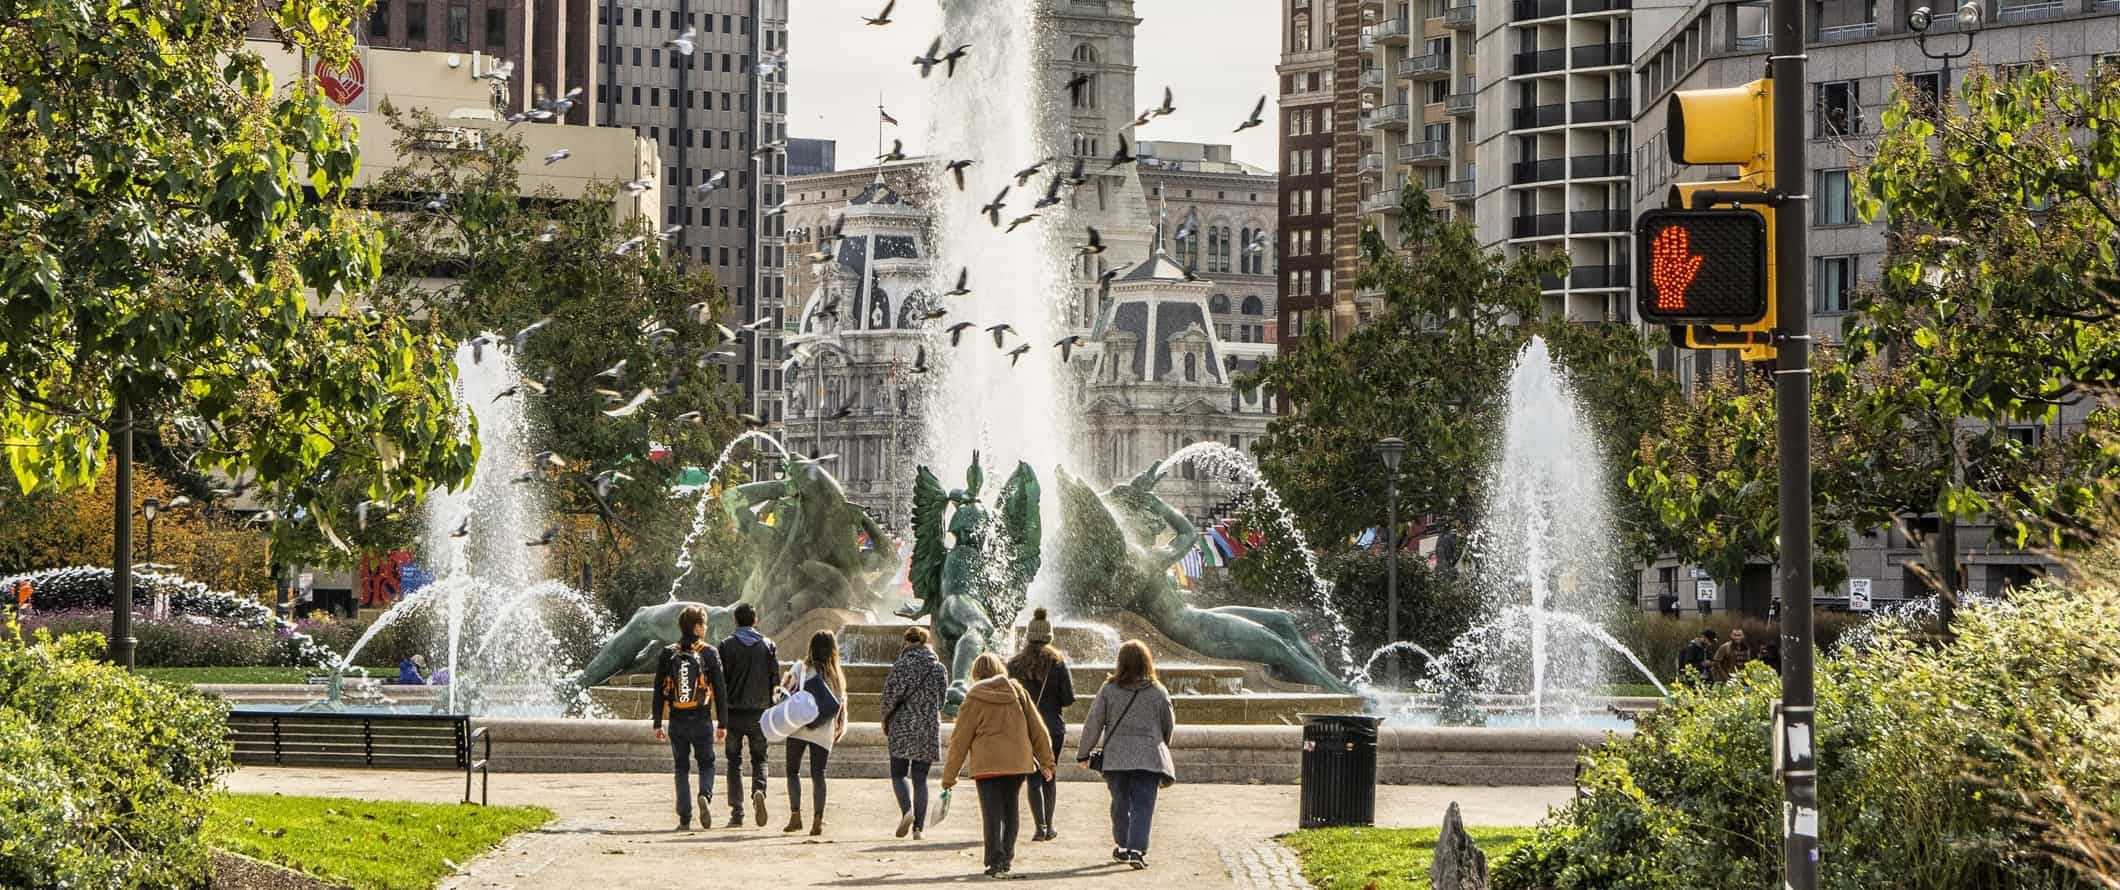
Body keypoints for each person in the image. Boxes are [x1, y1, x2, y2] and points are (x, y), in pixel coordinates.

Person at [941, 652, 1055, 880]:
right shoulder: (1017, 691)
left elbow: (960, 739)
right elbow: (1037, 727)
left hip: (987, 764)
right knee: (1011, 807)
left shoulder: (974, 695)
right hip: (1017, 763)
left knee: (991, 812)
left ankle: (994, 860)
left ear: (976, 673)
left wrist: (949, 776)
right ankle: (1007, 858)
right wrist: (1046, 761)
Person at [1077, 640, 1176, 871]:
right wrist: (1161, 745)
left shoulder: (1109, 689)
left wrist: (1083, 753)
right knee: (1143, 804)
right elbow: (1168, 725)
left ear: (1120, 662)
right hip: (1149, 757)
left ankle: (1122, 845)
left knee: (1119, 803)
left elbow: (1093, 723)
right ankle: (1137, 849)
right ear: (1147, 661)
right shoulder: (1158, 691)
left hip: (1116, 758)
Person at [652, 606, 729, 831]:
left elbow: (658, 689)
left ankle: (684, 818)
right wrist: (722, 723)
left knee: (681, 768)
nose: (706, 628)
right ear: (697, 627)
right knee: (706, 763)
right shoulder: (709, 653)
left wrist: (658, 722)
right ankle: (704, 794)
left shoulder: (668, 652)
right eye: (704, 624)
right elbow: (720, 691)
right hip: (701, 719)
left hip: (677, 720)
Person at [1007, 608, 1075, 842]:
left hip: (1025, 728)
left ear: (1028, 636)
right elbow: (1068, 699)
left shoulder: (1014, 664)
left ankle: (1039, 825)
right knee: (1050, 774)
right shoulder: (1058, 664)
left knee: (1033, 775)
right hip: (1053, 728)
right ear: (1049, 636)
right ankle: (1050, 826)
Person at [879, 625, 947, 839]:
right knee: (920, 779)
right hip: (927, 726)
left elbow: (889, 697)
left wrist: (885, 718)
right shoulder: (938, 668)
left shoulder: (901, 665)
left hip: (902, 725)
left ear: (907, 642)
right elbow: (942, 701)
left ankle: (906, 810)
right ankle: (919, 829)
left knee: (899, 773)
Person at [718, 602, 779, 828]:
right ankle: (759, 791)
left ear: (735, 621)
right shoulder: (768, 645)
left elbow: (720, 682)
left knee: (734, 761)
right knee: (760, 758)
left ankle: (737, 812)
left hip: (733, 714)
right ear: (755, 621)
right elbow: (776, 681)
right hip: (759, 714)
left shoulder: (726, 646)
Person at [781, 630, 847, 836]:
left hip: (798, 727)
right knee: (819, 774)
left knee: (793, 771)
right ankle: (818, 820)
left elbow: (784, 692)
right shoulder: (837, 676)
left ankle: (795, 816)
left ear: (811, 647)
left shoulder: (800, 668)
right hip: (822, 730)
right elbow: (840, 706)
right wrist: (838, 730)